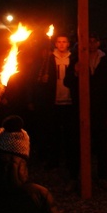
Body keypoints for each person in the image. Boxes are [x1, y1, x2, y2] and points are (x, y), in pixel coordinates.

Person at [65, 32, 107, 185]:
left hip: (100, 108)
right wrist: (75, 71)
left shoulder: (106, 60)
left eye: (93, 41)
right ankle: (74, 176)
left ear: (98, 43)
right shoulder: (76, 59)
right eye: (87, 41)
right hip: (80, 107)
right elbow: (67, 81)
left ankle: (103, 177)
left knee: (101, 144)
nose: (90, 44)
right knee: (77, 143)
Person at [37, 33, 79, 188]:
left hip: (69, 101)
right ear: (55, 43)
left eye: (64, 42)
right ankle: (53, 160)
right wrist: (43, 80)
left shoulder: (73, 58)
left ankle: (70, 162)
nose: (61, 44)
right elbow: (40, 77)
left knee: (70, 134)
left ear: (68, 44)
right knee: (53, 133)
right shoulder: (49, 59)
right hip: (54, 101)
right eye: (59, 42)